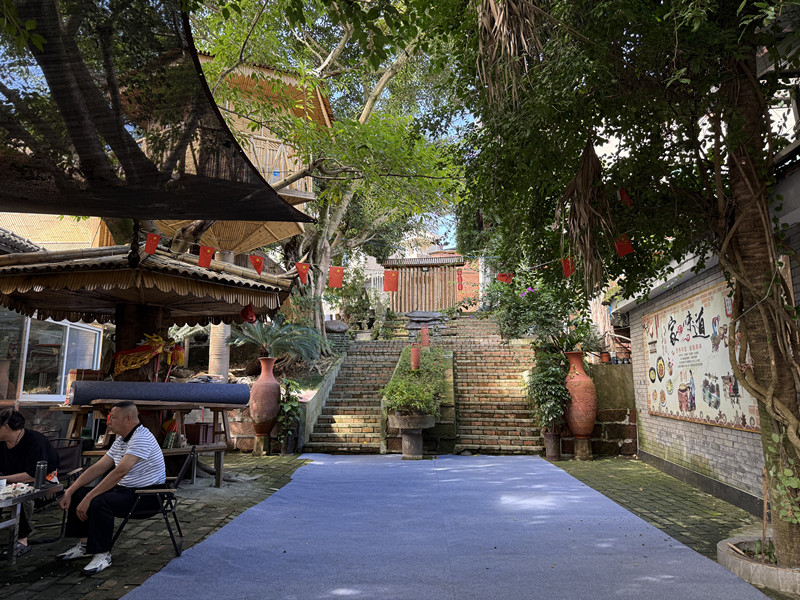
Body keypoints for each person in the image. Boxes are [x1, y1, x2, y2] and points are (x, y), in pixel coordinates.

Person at [58, 400, 165, 574]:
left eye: (113, 418)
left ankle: (102, 554)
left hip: (149, 495)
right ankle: (85, 544)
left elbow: (119, 472)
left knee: (100, 502)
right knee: (79, 493)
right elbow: (98, 468)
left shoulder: (141, 437)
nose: (109, 422)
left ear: (128, 419)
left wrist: (90, 497)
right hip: (127, 491)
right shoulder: (121, 440)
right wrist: (70, 490)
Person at [0, 407, 59, 556]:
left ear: (5, 427)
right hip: (9, 481)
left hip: (43, 483)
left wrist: (3, 479)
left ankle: (22, 540)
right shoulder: (2, 443)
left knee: (20, 493)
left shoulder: (35, 441)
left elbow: (33, 476)